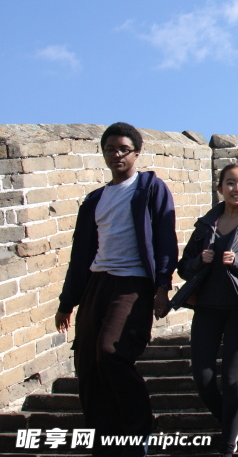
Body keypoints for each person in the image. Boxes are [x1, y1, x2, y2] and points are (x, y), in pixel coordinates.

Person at [55, 122, 177, 456]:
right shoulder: (95, 199)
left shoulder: (150, 188)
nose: (116, 155)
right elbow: (81, 254)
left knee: (111, 352)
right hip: (98, 283)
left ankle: (139, 434)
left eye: (123, 149)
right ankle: (104, 441)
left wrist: (163, 286)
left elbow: (166, 238)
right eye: (110, 149)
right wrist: (68, 302)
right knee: (88, 363)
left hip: (134, 282)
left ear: (137, 152)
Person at [174, 163, 238, 457]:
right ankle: (231, 425)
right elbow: (183, 268)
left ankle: (228, 443)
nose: (237, 189)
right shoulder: (206, 224)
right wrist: (200, 261)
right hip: (207, 307)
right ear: (219, 188)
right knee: (202, 377)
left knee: (232, 379)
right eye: (230, 183)